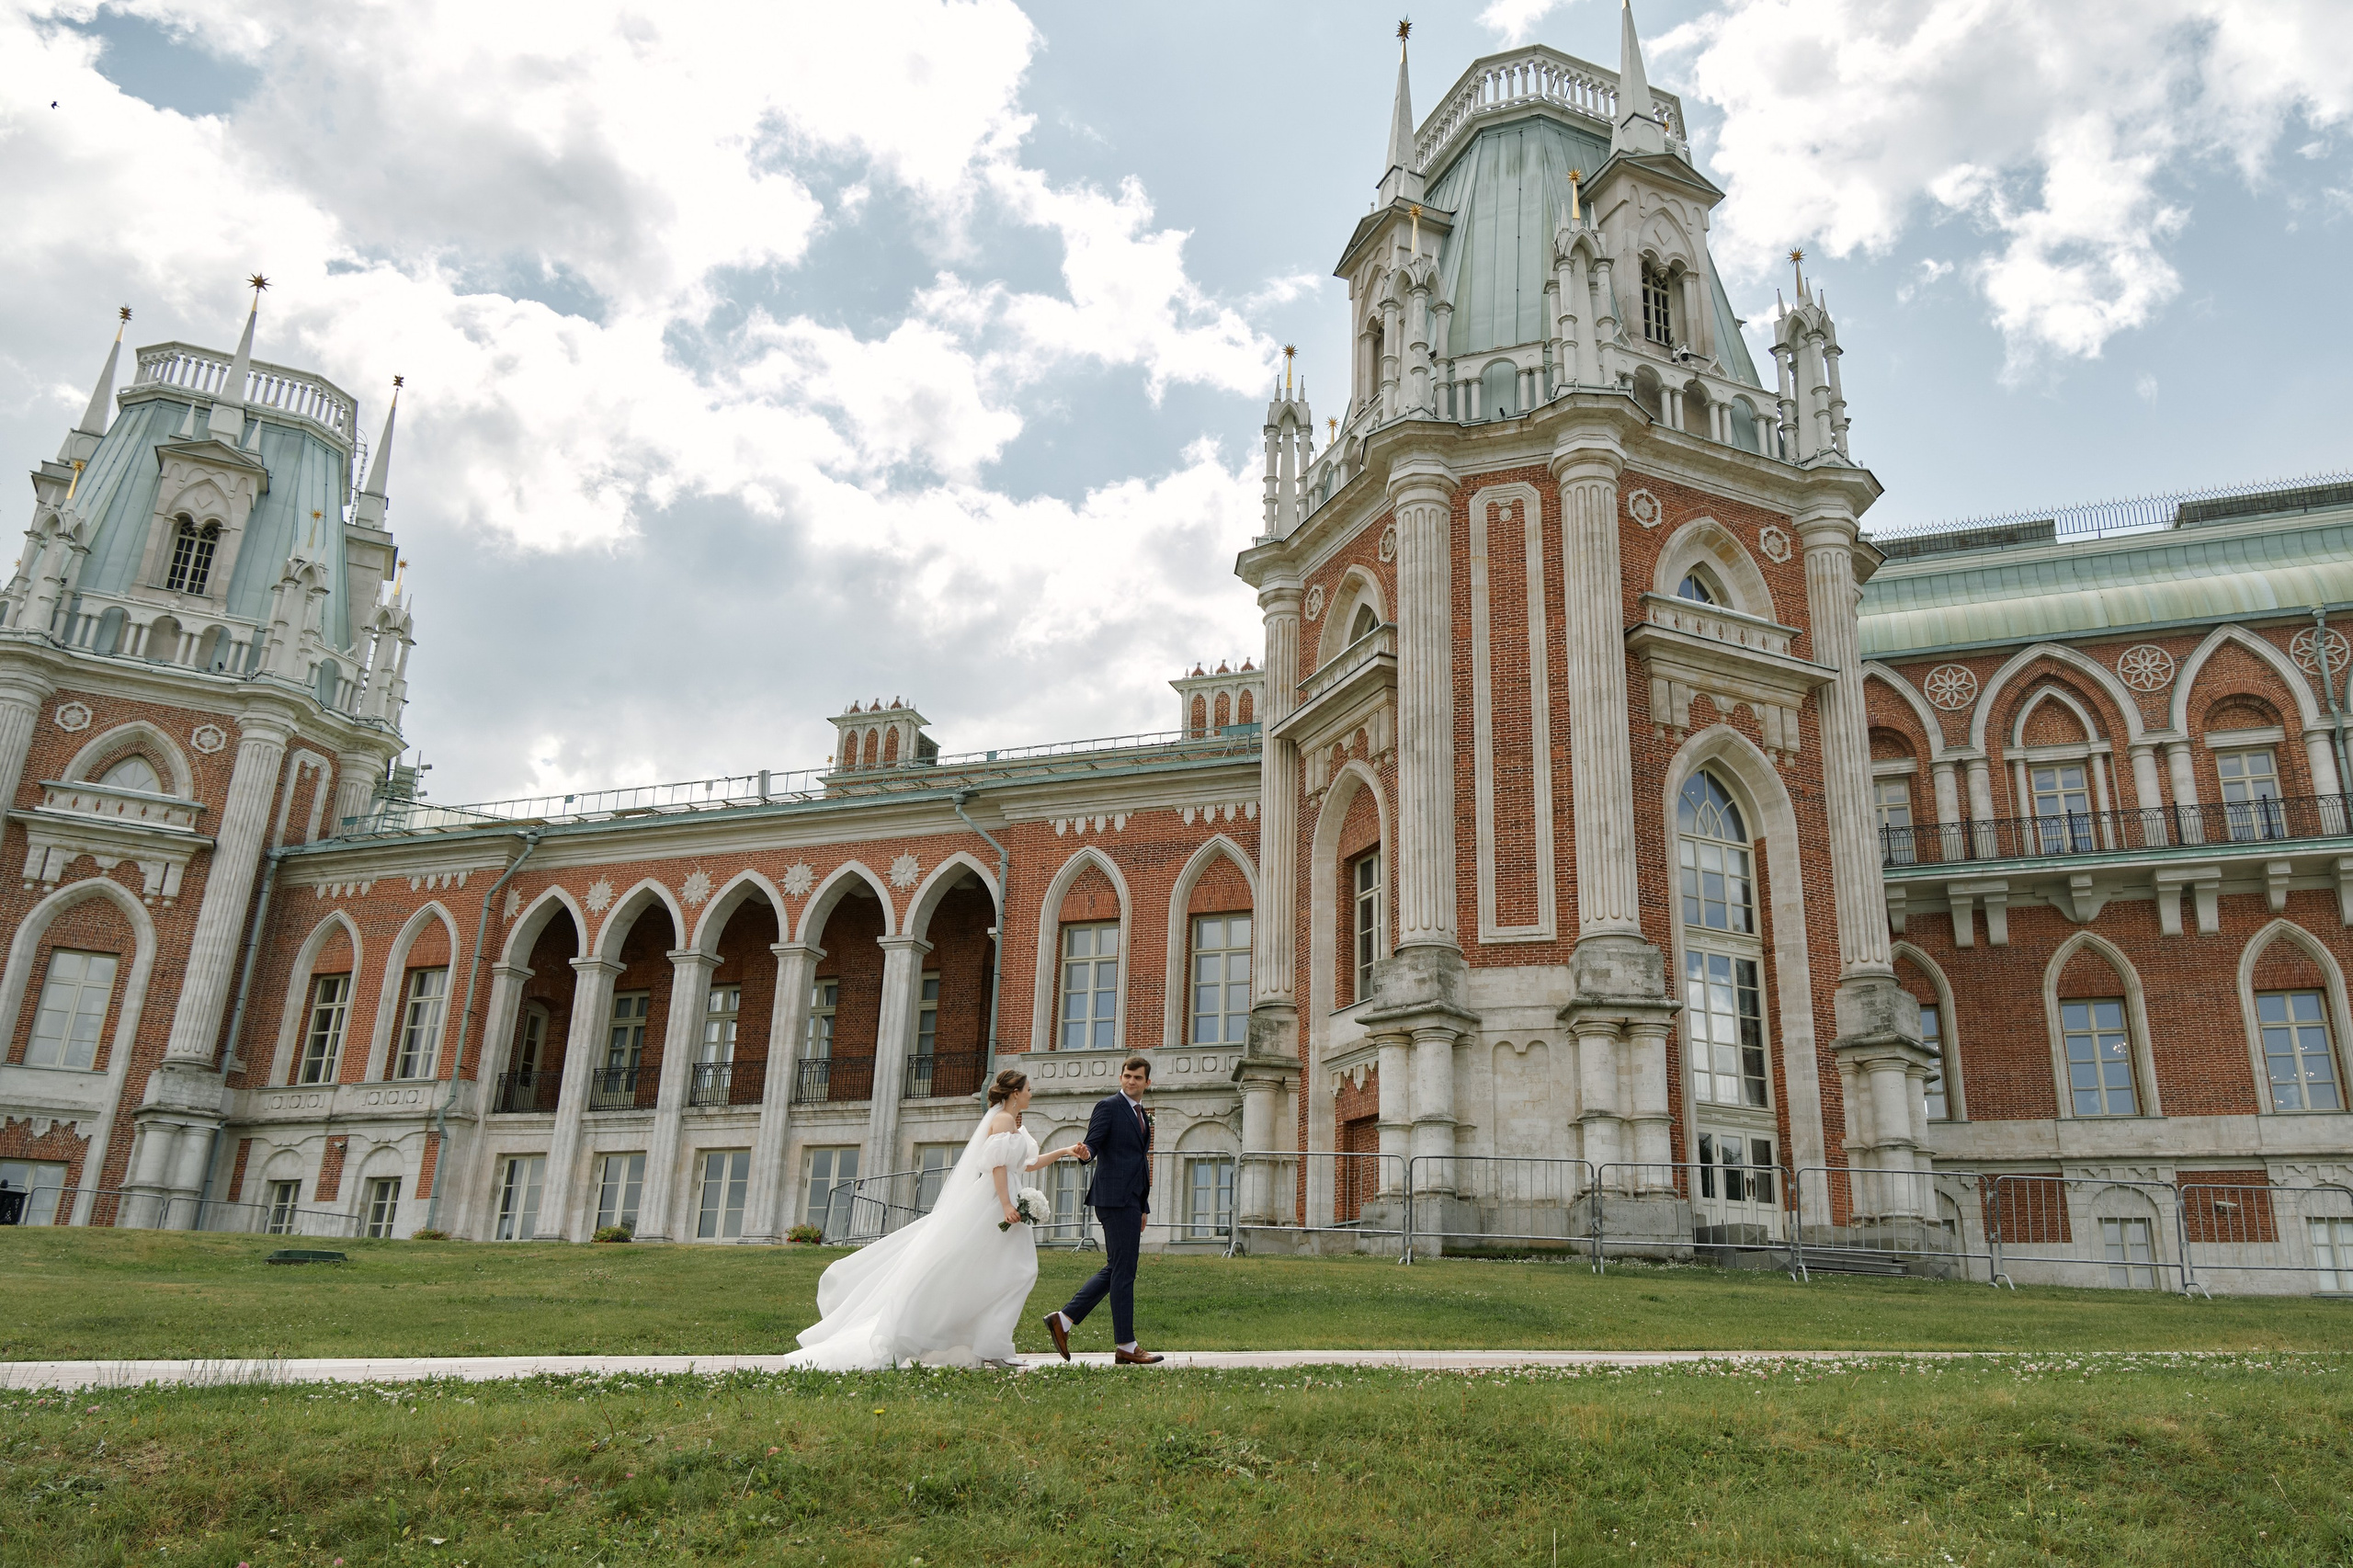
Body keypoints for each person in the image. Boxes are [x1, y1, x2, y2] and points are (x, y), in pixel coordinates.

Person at [781, 1068, 1087, 1369]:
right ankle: (986, 1344)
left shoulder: (1011, 1122)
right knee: (1014, 1271)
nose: (1032, 1094)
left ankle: (993, 1345)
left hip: (1004, 1200)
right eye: (1029, 1089)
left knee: (1008, 1273)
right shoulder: (1004, 1120)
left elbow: (1026, 1164)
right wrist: (1007, 1204)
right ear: (1016, 1093)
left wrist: (1065, 1151)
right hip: (995, 1204)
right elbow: (997, 1166)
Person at [1041, 1054, 1164, 1365]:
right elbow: (1092, 1144)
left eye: (1137, 1077)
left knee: (1119, 1268)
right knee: (1123, 1271)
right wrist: (1085, 1153)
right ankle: (1126, 1345)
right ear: (1121, 1078)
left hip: (1131, 1200)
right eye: (1127, 1076)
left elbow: (1139, 1161)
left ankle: (1064, 1320)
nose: (1131, 1081)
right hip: (1113, 1198)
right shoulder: (1109, 1106)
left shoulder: (1142, 1114)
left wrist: (1143, 1205)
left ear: (1147, 1082)